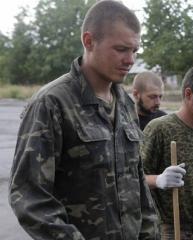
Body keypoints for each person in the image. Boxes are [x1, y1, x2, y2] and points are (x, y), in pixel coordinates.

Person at [8, 1, 159, 239]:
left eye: (134, 51)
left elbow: (137, 185)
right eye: (121, 49)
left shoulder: (127, 105)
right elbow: (29, 196)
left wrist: (150, 233)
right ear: (89, 41)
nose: (130, 60)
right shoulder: (52, 103)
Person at [141, 66, 193, 240]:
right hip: (177, 229)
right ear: (188, 94)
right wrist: (158, 180)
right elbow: (134, 177)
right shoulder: (160, 129)